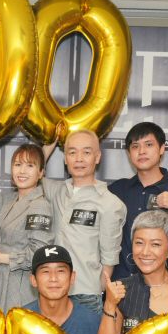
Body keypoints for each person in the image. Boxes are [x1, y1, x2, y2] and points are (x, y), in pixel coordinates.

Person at [40, 130, 126, 313]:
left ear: (97, 157)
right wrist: (47, 148)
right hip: (51, 292)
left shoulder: (110, 204)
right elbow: (33, 172)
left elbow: (109, 257)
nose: (79, 159)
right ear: (65, 159)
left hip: (85, 295)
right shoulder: (57, 191)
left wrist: (96, 291)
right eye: (72, 152)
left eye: (86, 152)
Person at [0, 138, 53, 310]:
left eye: (30, 166)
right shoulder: (10, 200)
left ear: (41, 173)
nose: (22, 171)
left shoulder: (40, 205)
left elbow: (38, 254)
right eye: (17, 164)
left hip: (19, 285)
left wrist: (3, 258)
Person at [108, 122, 168, 281]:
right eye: (135, 146)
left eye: (148, 145)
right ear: (129, 153)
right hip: (122, 284)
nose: (141, 151)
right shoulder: (117, 190)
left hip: (162, 285)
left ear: (162, 148)